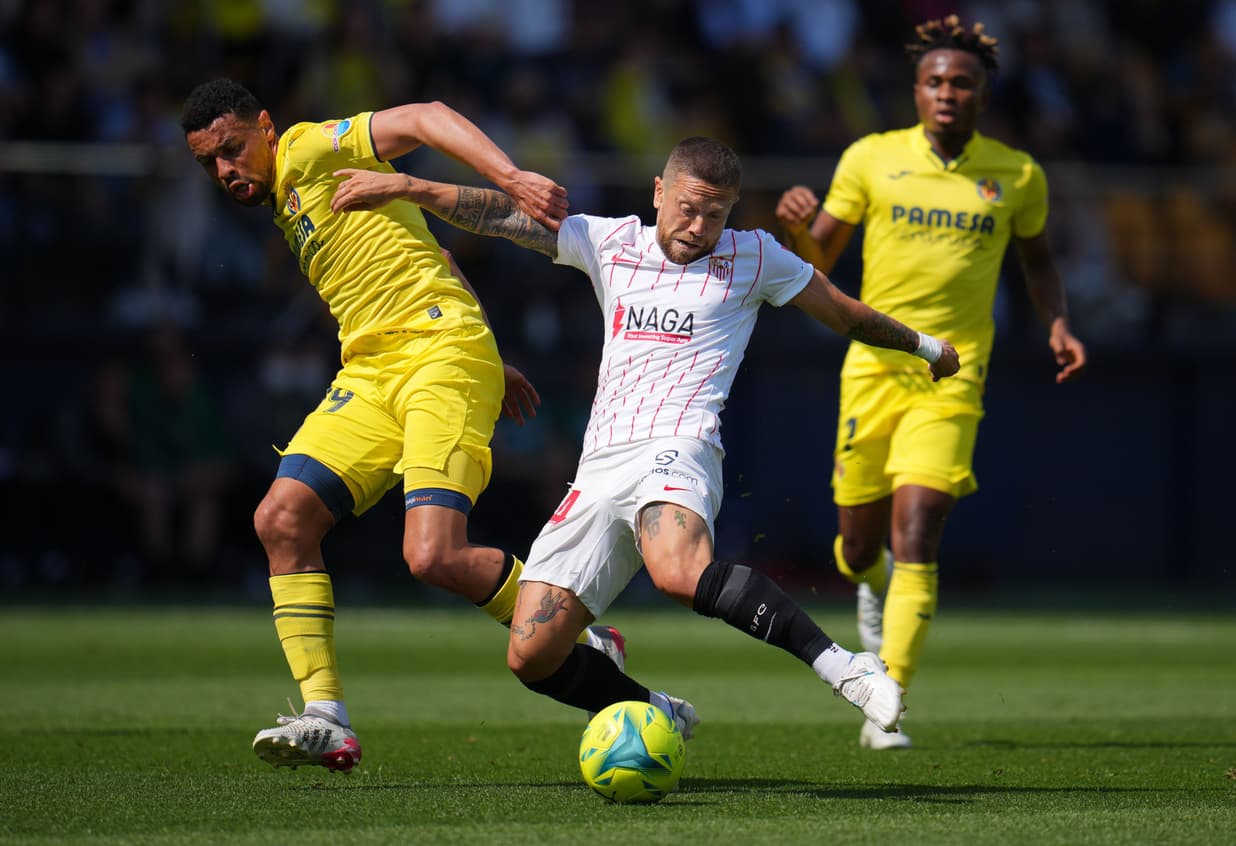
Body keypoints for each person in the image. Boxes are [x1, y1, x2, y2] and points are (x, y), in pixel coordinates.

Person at [326, 136, 960, 742]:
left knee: (678, 571)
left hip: (679, 447)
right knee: (532, 655)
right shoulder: (611, 242)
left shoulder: (756, 256)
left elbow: (843, 310)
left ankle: (844, 667)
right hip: (600, 467)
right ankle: (654, 710)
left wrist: (926, 347)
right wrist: (408, 185)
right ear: (659, 192)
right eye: (687, 207)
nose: (697, 226)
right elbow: (501, 216)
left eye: (714, 214)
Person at [179, 77, 625, 773]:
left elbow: (424, 115)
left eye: (232, 149)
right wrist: (496, 356)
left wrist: (510, 177)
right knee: (282, 519)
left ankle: (581, 634)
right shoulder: (288, 202)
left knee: (432, 556)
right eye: (210, 163)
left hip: (437, 352)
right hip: (373, 370)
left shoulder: (305, 148)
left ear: (265, 127)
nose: (226, 170)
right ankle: (326, 717)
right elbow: (435, 258)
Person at [774, 15, 1088, 749]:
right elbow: (816, 259)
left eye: (962, 83)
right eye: (935, 81)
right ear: (916, 92)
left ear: (983, 95)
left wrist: (1058, 322)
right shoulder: (870, 159)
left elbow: (1038, 262)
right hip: (873, 368)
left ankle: (888, 700)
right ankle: (868, 580)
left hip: (954, 373)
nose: (948, 93)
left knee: (919, 531)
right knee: (856, 546)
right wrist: (794, 227)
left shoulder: (1016, 174)